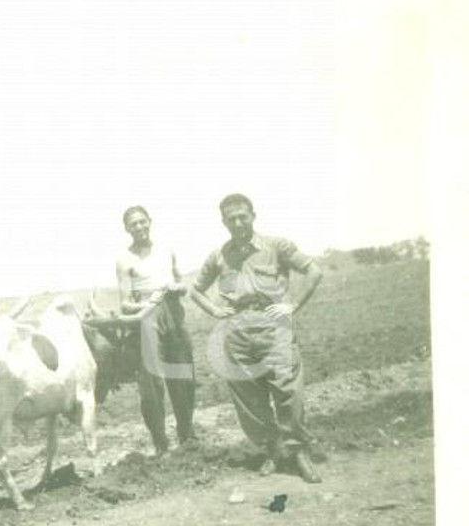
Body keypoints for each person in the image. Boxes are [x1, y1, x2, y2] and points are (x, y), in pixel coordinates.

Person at [190, 193, 324, 483]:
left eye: (243, 216)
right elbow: (195, 290)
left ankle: (298, 451)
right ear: (223, 222)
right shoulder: (219, 256)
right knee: (249, 398)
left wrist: (294, 305)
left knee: (289, 392)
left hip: (274, 328)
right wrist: (215, 309)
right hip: (237, 331)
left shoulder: (277, 246)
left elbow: (314, 270)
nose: (237, 223)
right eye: (231, 219)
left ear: (253, 215)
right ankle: (273, 450)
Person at [116, 206, 197, 456]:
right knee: (151, 383)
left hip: (172, 313)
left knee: (183, 374)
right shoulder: (125, 260)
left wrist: (175, 289)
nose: (139, 227)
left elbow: (181, 284)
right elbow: (125, 302)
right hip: (146, 317)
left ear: (150, 221)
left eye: (142, 222)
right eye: (133, 224)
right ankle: (161, 444)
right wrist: (149, 303)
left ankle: (187, 436)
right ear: (127, 229)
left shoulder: (166, 250)